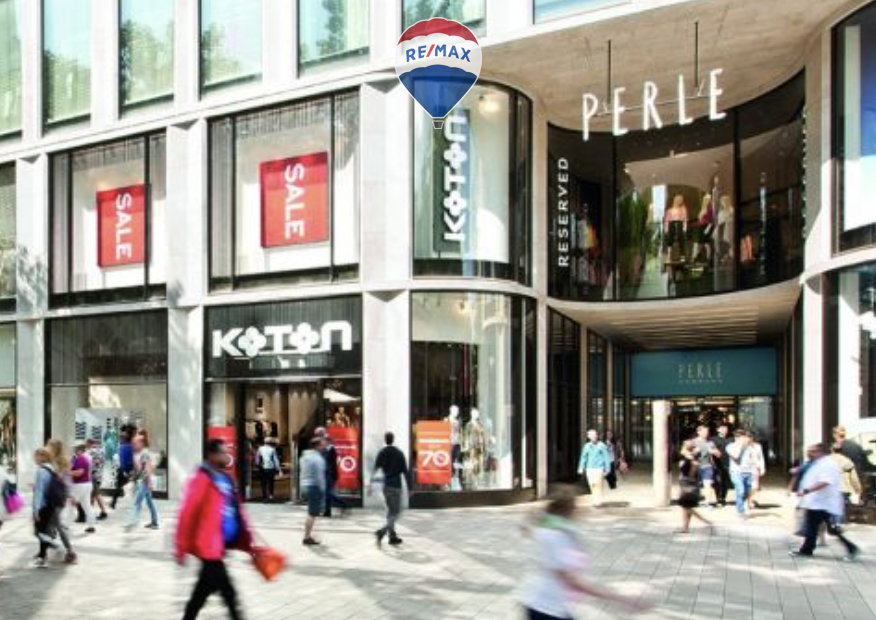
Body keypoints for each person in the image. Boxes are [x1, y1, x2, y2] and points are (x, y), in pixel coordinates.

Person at [519, 486, 648, 619]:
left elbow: (526, 529)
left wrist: (538, 514)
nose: (581, 510)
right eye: (578, 506)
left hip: (542, 604)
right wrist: (620, 598)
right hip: (545, 608)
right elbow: (571, 581)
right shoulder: (555, 536)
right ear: (571, 509)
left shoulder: (549, 528)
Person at [176, 438, 253, 620]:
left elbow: (236, 510)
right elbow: (187, 514)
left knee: (201, 594)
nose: (226, 456)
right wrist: (181, 547)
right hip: (209, 547)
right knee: (229, 595)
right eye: (222, 452)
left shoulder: (226, 478)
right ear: (212, 455)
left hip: (220, 546)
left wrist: (247, 540)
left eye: (226, 452)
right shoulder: (202, 479)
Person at [790, 443, 860, 561]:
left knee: (828, 529)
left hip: (824, 503)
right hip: (816, 503)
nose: (809, 453)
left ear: (820, 452)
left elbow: (825, 481)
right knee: (813, 527)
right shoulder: (817, 463)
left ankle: (851, 548)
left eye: (813, 451)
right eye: (809, 450)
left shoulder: (828, 464)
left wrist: (807, 490)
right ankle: (806, 549)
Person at [32, 448, 76, 567]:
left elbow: (39, 491)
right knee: (45, 530)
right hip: (53, 504)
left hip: (45, 505)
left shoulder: (42, 470)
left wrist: (36, 508)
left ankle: (51, 552)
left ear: (42, 456)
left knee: (43, 531)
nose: (34, 458)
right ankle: (43, 554)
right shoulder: (51, 468)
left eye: (36, 455)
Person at [371, 431, 412, 547]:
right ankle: (382, 531)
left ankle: (392, 536)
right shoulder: (399, 453)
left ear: (385, 440)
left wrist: (370, 484)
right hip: (395, 486)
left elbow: (375, 469)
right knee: (397, 512)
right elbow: (405, 472)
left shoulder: (382, 452)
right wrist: (410, 488)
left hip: (386, 486)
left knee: (391, 512)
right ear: (393, 439)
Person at [677, 440, 712, 534]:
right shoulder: (693, 460)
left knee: (686, 507)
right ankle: (685, 527)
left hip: (687, 485)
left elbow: (688, 473)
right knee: (686, 507)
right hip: (691, 485)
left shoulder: (689, 460)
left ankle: (705, 521)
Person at [314, 427, 350, 517]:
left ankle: (343, 504)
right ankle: (327, 511)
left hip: (330, 474)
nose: (323, 442)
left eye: (325, 441)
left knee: (328, 493)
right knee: (326, 493)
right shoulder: (325, 449)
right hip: (326, 474)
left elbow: (331, 463)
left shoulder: (331, 449)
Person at [127, 432, 160, 530]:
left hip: (145, 482)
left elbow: (147, 469)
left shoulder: (144, 454)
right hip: (145, 481)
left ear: (141, 443)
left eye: (136, 443)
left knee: (137, 502)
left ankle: (133, 522)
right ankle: (154, 522)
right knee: (150, 503)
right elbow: (142, 469)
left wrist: (149, 482)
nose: (134, 445)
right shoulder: (142, 453)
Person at [300, 437, 326, 546]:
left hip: (305, 485)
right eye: (322, 444)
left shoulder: (304, 456)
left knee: (311, 513)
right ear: (317, 446)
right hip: (314, 487)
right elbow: (319, 476)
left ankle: (308, 535)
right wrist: (322, 489)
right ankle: (307, 537)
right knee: (312, 514)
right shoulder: (317, 458)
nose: (324, 446)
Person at [577, 430, 611, 507]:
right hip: (589, 469)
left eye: (595, 435)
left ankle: (598, 501)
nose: (593, 437)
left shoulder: (601, 445)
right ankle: (595, 499)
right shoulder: (586, 446)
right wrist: (581, 467)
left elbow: (606, 457)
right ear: (589, 437)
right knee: (592, 485)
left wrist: (607, 469)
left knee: (598, 485)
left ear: (597, 436)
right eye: (591, 435)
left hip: (599, 468)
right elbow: (583, 457)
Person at [726, 430, 754, 519]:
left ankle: (741, 505)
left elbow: (751, 459)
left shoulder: (749, 447)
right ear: (738, 438)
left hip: (748, 472)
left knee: (745, 492)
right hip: (736, 472)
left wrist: (753, 469)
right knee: (740, 490)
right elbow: (736, 457)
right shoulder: (730, 447)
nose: (746, 439)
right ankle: (740, 511)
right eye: (743, 437)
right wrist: (742, 447)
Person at [70, 442, 96, 534]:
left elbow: (79, 472)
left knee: (69, 504)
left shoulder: (80, 458)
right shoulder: (87, 457)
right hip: (88, 483)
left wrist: (67, 472)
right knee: (87, 505)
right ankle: (91, 526)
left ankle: (65, 526)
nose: (74, 450)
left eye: (75, 449)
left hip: (80, 484)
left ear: (80, 449)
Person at [830, 445, 863, 518]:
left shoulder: (826, 460)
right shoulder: (847, 461)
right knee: (840, 506)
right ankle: (838, 521)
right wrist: (858, 489)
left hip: (829, 487)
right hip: (843, 487)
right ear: (842, 451)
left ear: (832, 450)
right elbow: (854, 478)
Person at [692, 426, 720, 508]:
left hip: (707, 466)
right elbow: (686, 454)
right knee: (695, 485)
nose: (706, 433)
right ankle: (694, 500)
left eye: (707, 432)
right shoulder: (693, 442)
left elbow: (719, 454)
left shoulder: (710, 443)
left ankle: (707, 502)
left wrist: (714, 452)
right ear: (698, 432)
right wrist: (695, 451)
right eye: (704, 432)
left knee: (708, 484)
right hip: (696, 466)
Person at [111, 430, 135, 510]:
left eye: (120, 438)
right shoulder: (129, 447)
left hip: (124, 469)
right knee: (120, 486)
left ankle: (113, 502)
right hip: (127, 469)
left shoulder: (123, 447)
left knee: (119, 486)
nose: (119, 439)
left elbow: (123, 460)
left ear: (123, 439)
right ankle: (113, 502)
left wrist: (124, 470)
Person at [86, 438, 108, 520]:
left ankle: (102, 512)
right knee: (93, 495)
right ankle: (91, 513)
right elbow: (102, 462)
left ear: (89, 444)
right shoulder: (102, 451)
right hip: (99, 475)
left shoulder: (90, 452)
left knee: (95, 494)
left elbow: (88, 463)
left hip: (93, 476)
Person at [711, 424, 731, 506]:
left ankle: (723, 497)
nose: (724, 430)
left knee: (725, 482)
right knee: (718, 481)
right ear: (718, 430)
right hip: (717, 464)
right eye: (722, 428)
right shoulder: (713, 439)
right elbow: (710, 449)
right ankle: (718, 497)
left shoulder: (731, 439)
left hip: (728, 463)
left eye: (726, 428)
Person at [747, 432, 766, 510]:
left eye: (750, 437)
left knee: (755, 486)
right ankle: (749, 500)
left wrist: (762, 468)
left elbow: (761, 457)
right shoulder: (743, 446)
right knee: (748, 486)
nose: (749, 438)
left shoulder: (758, 446)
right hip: (746, 468)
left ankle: (750, 500)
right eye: (748, 437)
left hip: (755, 468)